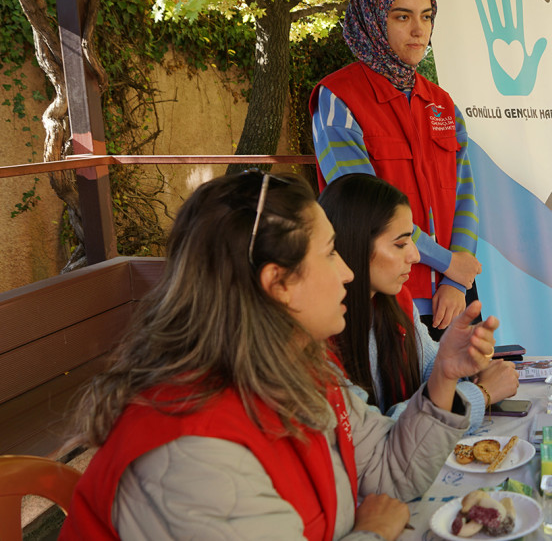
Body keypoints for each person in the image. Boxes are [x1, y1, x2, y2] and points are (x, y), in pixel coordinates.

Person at [60, 171, 499, 539]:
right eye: (329, 254)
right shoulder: (195, 455)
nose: (347, 272)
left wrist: (443, 376)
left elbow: (390, 469)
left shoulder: (301, 370)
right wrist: (373, 534)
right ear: (279, 283)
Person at [310, 0, 482, 339]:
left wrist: (456, 277)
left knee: (468, 392)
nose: (419, 30)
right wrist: (449, 263)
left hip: (453, 293)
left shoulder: (441, 102)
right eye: (402, 16)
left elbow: (465, 191)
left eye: (427, 16)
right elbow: (366, 209)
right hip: (382, 297)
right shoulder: (339, 98)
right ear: (372, 21)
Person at [318, 173, 518, 433]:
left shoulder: (396, 302)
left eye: (411, 240)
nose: (414, 255)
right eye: (400, 243)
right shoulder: (319, 335)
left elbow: (430, 370)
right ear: (354, 244)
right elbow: (380, 438)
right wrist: (480, 395)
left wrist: (463, 364)